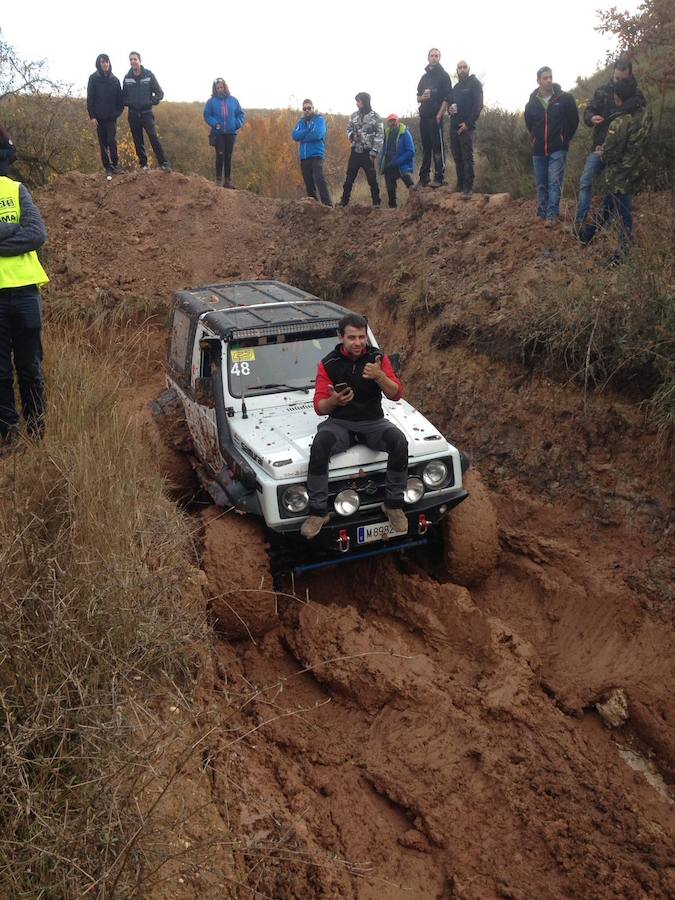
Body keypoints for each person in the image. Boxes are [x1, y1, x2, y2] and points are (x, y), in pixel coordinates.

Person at [301, 313, 409, 539]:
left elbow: (396, 394)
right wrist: (334, 401)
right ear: (341, 337)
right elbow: (319, 407)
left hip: (374, 423)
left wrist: (379, 376)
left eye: (362, 337)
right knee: (320, 444)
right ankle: (318, 512)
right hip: (341, 424)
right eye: (352, 337)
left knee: (399, 441)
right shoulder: (329, 364)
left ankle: (393, 505)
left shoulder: (377, 357)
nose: (358, 342)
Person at [0, 129, 49, 454]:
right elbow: (24, 232)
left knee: (31, 368)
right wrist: (10, 230)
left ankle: (38, 432)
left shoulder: (16, 189)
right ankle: (9, 438)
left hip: (26, 293)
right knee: (0, 372)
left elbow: (35, 234)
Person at [578, 80, 651, 264]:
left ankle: (623, 253)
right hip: (634, 168)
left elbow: (610, 154)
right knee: (608, 206)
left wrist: (602, 151)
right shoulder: (643, 115)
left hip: (620, 174)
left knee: (624, 213)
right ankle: (587, 236)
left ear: (619, 99)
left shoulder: (620, 122)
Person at [574, 56, 646, 232]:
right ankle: (580, 222)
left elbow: (641, 121)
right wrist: (592, 117)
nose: (619, 82)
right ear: (613, 74)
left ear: (629, 76)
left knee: (622, 192)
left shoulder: (636, 95)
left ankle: (622, 234)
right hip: (599, 148)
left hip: (622, 154)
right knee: (585, 182)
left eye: (623, 79)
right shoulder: (602, 91)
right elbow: (588, 112)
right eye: (616, 78)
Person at [524, 66, 579, 225]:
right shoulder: (531, 104)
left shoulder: (565, 99)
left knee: (554, 182)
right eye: (545, 78)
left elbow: (574, 120)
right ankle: (541, 213)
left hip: (558, 148)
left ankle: (551, 215)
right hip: (539, 149)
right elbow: (530, 124)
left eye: (550, 77)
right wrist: (535, 139)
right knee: (541, 183)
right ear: (538, 81)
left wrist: (565, 138)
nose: (548, 80)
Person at [122, 51, 170, 172]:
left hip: (146, 113)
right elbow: (123, 96)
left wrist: (150, 101)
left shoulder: (148, 75)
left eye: (135, 59)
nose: (133, 61)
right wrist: (129, 102)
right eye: (131, 60)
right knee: (138, 141)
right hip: (133, 114)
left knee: (153, 137)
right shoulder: (127, 78)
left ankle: (163, 163)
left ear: (140, 61)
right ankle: (143, 165)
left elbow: (160, 93)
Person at [338, 93, 383, 208]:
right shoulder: (353, 116)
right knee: (349, 178)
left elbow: (380, 136)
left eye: (358, 101)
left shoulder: (376, 117)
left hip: (368, 153)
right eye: (356, 101)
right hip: (355, 152)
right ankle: (344, 202)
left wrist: (374, 152)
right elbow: (348, 129)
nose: (357, 103)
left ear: (365, 101)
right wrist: (352, 136)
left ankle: (377, 203)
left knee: (372, 179)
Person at [416, 49, 453, 188]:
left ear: (440, 58)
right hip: (424, 117)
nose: (434, 58)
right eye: (432, 56)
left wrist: (439, 114)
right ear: (428, 58)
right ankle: (424, 177)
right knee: (426, 148)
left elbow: (447, 97)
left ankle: (439, 177)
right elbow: (418, 96)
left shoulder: (444, 76)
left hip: (435, 117)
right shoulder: (424, 77)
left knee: (438, 148)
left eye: (436, 56)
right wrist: (422, 97)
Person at [86, 53, 124, 180]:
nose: (105, 64)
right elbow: (90, 99)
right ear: (99, 64)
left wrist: (116, 113)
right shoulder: (93, 78)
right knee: (103, 144)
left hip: (111, 118)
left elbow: (120, 100)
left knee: (112, 142)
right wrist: (92, 117)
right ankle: (107, 167)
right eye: (102, 62)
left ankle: (115, 165)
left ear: (109, 63)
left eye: (107, 62)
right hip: (98, 118)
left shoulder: (115, 80)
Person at [449, 60, 483, 197]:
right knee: (457, 156)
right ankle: (460, 184)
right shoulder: (456, 87)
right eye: (459, 67)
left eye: (464, 67)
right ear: (456, 71)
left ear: (469, 69)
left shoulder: (475, 83)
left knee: (467, 157)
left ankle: (468, 187)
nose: (462, 70)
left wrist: (468, 124)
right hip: (454, 125)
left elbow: (478, 105)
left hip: (467, 126)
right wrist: (450, 110)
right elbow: (451, 105)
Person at [203, 78, 245, 189]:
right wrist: (215, 123)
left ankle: (227, 182)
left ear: (225, 87)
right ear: (215, 89)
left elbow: (240, 114)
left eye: (221, 87)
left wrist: (237, 124)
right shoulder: (211, 102)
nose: (219, 90)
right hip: (218, 133)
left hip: (231, 133)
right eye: (217, 88)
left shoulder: (233, 100)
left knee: (228, 156)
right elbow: (207, 115)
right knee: (220, 156)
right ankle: (218, 181)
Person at [292, 99, 332, 206]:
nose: (307, 110)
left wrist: (303, 138)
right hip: (304, 157)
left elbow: (318, 134)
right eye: (304, 108)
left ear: (313, 108)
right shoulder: (301, 122)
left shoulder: (319, 120)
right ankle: (314, 206)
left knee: (319, 178)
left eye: (309, 108)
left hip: (316, 155)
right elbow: (294, 135)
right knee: (308, 183)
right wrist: (307, 131)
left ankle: (328, 205)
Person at [380, 114, 415, 208]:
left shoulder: (405, 133)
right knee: (391, 194)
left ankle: (418, 204)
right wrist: (382, 165)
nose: (392, 123)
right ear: (388, 123)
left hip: (402, 166)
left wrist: (398, 162)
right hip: (389, 166)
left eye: (394, 121)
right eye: (390, 121)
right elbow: (384, 150)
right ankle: (392, 211)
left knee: (412, 188)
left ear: (398, 121)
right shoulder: (386, 134)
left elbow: (411, 152)